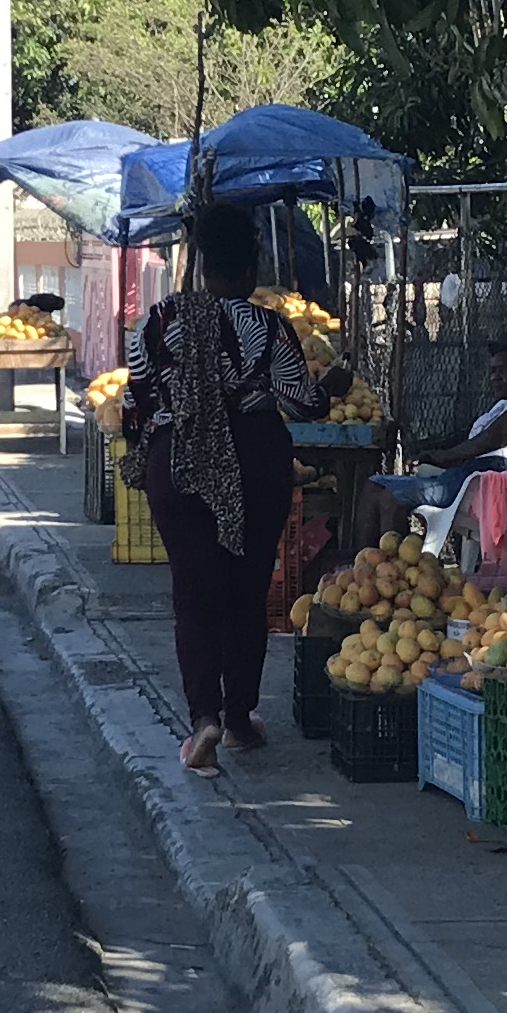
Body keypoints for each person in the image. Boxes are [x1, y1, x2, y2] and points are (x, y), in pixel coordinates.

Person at [135, 202, 336, 770]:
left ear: (201, 264)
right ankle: (240, 719)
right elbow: (305, 403)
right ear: (250, 268)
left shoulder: (158, 321)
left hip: (178, 462)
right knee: (246, 593)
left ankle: (204, 719)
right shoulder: (267, 326)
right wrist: (333, 384)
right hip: (254, 458)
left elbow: (136, 402)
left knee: (194, 593)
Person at [377, 340, 507, 517]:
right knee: (375, 486)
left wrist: (443, 456)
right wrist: (433, 455)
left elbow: (494, 438)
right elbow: (471, 441)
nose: (495, 377)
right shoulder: (500, 406)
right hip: (471, 473)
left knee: (390, 495)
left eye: (504, 370)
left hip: (497, 475)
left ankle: (390, 536)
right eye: (493, 371)